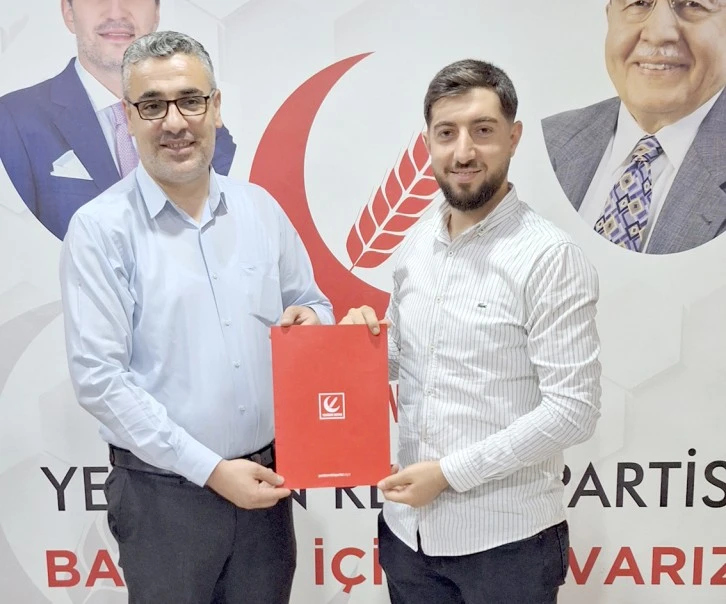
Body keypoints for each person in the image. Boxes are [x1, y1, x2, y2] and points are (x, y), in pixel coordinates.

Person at [59, 30, 332, 604]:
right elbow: (100, 379)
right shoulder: (100, 229)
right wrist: (210, 469)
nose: (175, 122)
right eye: (152, 106)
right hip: (163, 497)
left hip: (266, 487)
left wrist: (310, 320)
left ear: (216, 107)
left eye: (190, 100)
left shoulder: (260, 209)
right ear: (128, 118)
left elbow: (314, 303)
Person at [341, 59, 602, 603]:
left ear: (513, 137)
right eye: (446, 133)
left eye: (482, 130)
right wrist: (349, 345)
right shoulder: (416, 244)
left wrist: (450, 473)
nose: (463, 152)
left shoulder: (549, 256)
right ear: (427, 143)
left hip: (507, 545)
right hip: (408, 536)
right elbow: (405, 359)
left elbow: (573, 409)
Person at [0, 0, 236, 240]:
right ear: (68, 12)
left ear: (156, 13)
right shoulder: (14, 119)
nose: (116, 12)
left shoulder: (205, 129)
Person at [542, 0, 726, 254]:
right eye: (639, 2)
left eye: (693, 3)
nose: (659, 32)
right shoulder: (544, 141)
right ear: (610, 18)